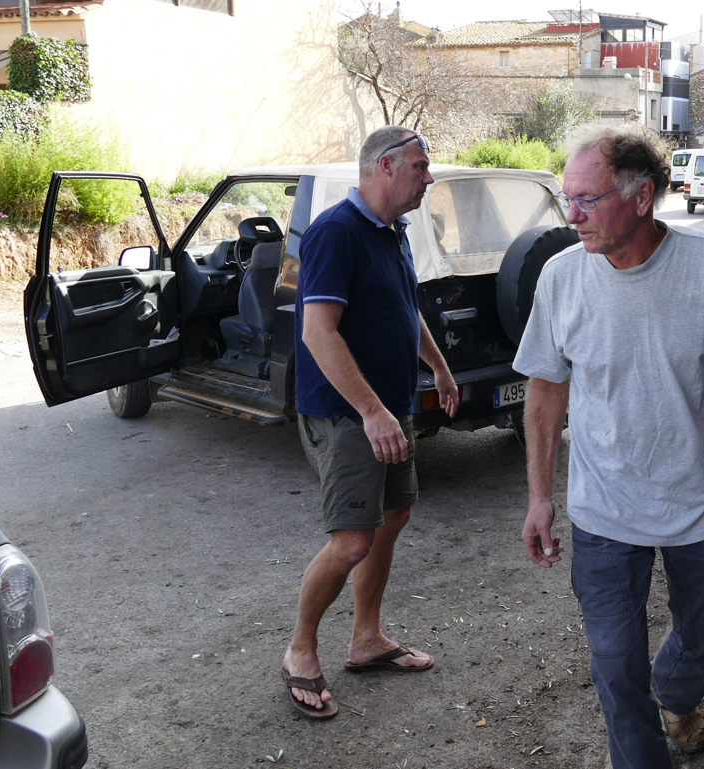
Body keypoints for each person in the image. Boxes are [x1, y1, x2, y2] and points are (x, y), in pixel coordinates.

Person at [515, 123, 704, 767]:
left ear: (642, 197)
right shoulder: (560, 277)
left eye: (588, 199)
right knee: (613, 661)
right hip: (606, 507)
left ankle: (677, 691)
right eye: (566, 198)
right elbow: (546, 393)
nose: (572, 215)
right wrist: (540, 497)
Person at [281, 126, 461, 719]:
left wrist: (437, 366)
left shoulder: (395, 231)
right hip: (346, 412)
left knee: (393, 517)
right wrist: (371, 410)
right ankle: (300, 650)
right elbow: (317, 332)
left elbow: (404, 309)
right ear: (384, 167)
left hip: (390, 406)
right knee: (354, 538)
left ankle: (365, 640)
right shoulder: (337, 232)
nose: (428, 178)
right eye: (419, 167)